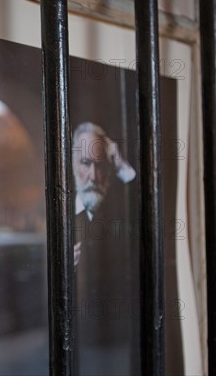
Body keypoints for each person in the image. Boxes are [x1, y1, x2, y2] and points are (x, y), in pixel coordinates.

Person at [71, 122, 138, 374]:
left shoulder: (116, 211)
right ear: (72, 164)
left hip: (120, 345)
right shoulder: (60, 213)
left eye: (100, 166)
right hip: (74, 346)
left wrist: (122, 167)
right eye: (85, 163)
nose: (93, 176)